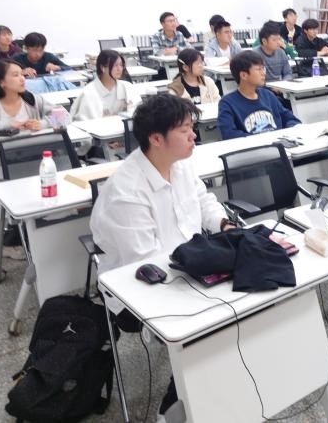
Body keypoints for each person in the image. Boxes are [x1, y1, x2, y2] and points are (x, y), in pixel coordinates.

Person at [90, 92, 236, 421]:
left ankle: (222, 389)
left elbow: (204, 201)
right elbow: (146, 265)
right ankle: (171, 409)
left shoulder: (179, 164)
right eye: (184, 130)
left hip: (188, 266)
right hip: (141, 288)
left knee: (248, 298)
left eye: (192, 128)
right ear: (156, 138)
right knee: (214, 321)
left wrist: (223, 224)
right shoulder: (127, 191)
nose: (194, 135)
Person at [0, 59, 66, 139]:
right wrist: (8, 123)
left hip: (35, 149)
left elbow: (64, 116)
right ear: (1, 82)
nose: (22, 78)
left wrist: (42, 124)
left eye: (22, 74)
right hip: (1, 155)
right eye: (16, 75)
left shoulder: (31, 99)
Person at [218, 51, 300, 139]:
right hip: (253, 146)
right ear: (244, 75)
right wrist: (261, 140)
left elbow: (290, 119)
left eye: (263, 68)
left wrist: (290, 130)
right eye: (258, 69)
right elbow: (229, 134)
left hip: (279, 142)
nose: (263, 73)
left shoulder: (268, 95)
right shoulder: (227, 103)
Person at [71, 50, 140, 120]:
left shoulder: (127, 87)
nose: (119, 69)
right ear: (103, 68)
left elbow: (138, 113)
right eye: (115, 65)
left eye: (121, 65)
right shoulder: (88, 93)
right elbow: (85, 122)